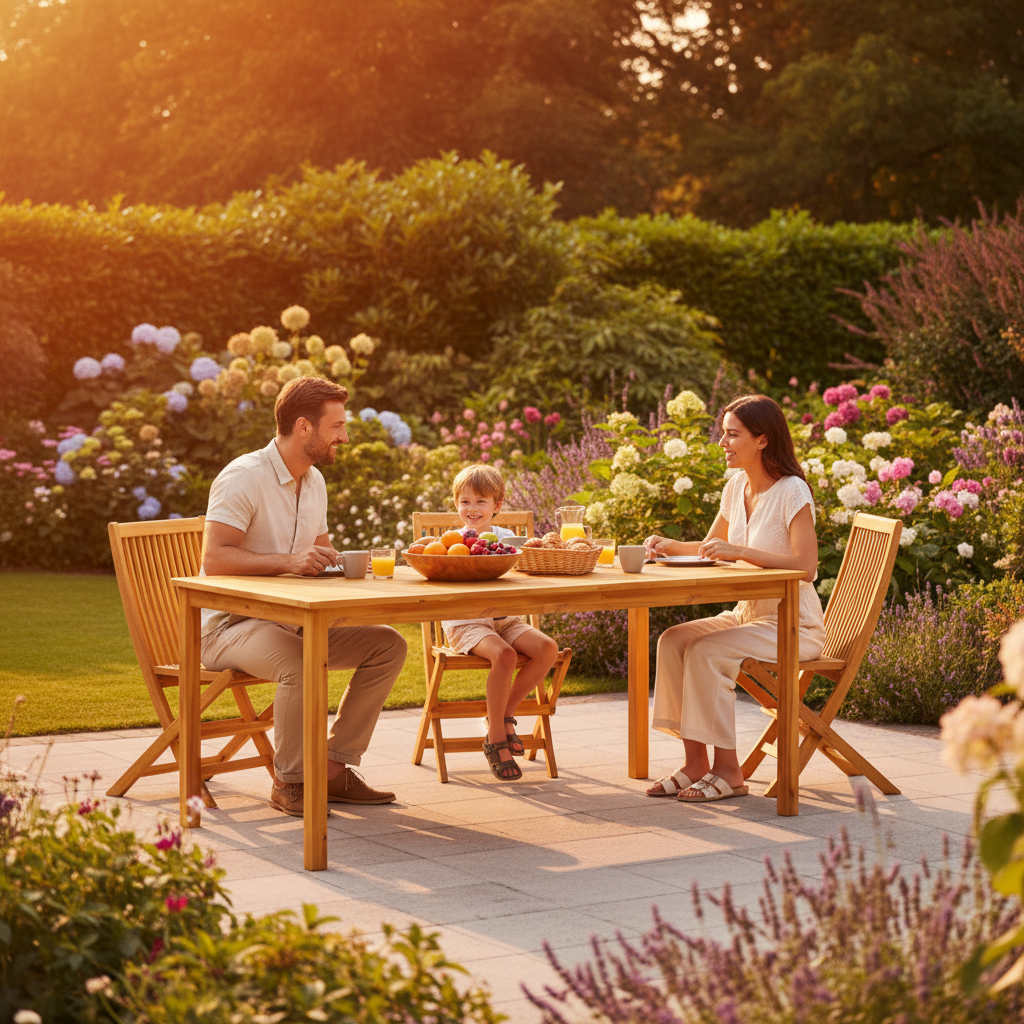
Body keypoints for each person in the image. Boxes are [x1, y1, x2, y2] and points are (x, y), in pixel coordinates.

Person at [200, 376, 407, 816]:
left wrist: (342, 563)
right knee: (300, 664)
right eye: (337, 426)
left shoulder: (313, 482)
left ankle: (333, 769)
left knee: (388, 644)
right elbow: (216, 559)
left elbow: (319, 553)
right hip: (231, 627)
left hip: (292, 621)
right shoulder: (244, 477)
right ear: (304, 427)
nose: (344, 437)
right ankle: (290, 783)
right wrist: (290, 560)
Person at [643, 394, 826, 802]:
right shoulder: (736, 486)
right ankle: (696, 762)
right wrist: (670, 545)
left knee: (706, 650)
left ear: (762, 440)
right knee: (673, 639)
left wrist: (742, 552)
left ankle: (730, 771)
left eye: (732, 435)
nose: (722, 443)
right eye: (722, 434)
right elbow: (712, 545)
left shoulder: (792, 491)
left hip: (793, 623)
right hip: (748, 616)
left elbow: (806, 565)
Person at [439, 464, 560, 781]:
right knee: (504, 655)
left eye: (481, 501)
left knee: (548, 649)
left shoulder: (509, 541)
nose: (472, 509)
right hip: (467, 623)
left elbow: (527, 575)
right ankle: (495, 737)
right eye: (465, 501)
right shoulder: (452, 543)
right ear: (456, 504)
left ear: (497, 505)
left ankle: (505, 713)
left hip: (505, 620)